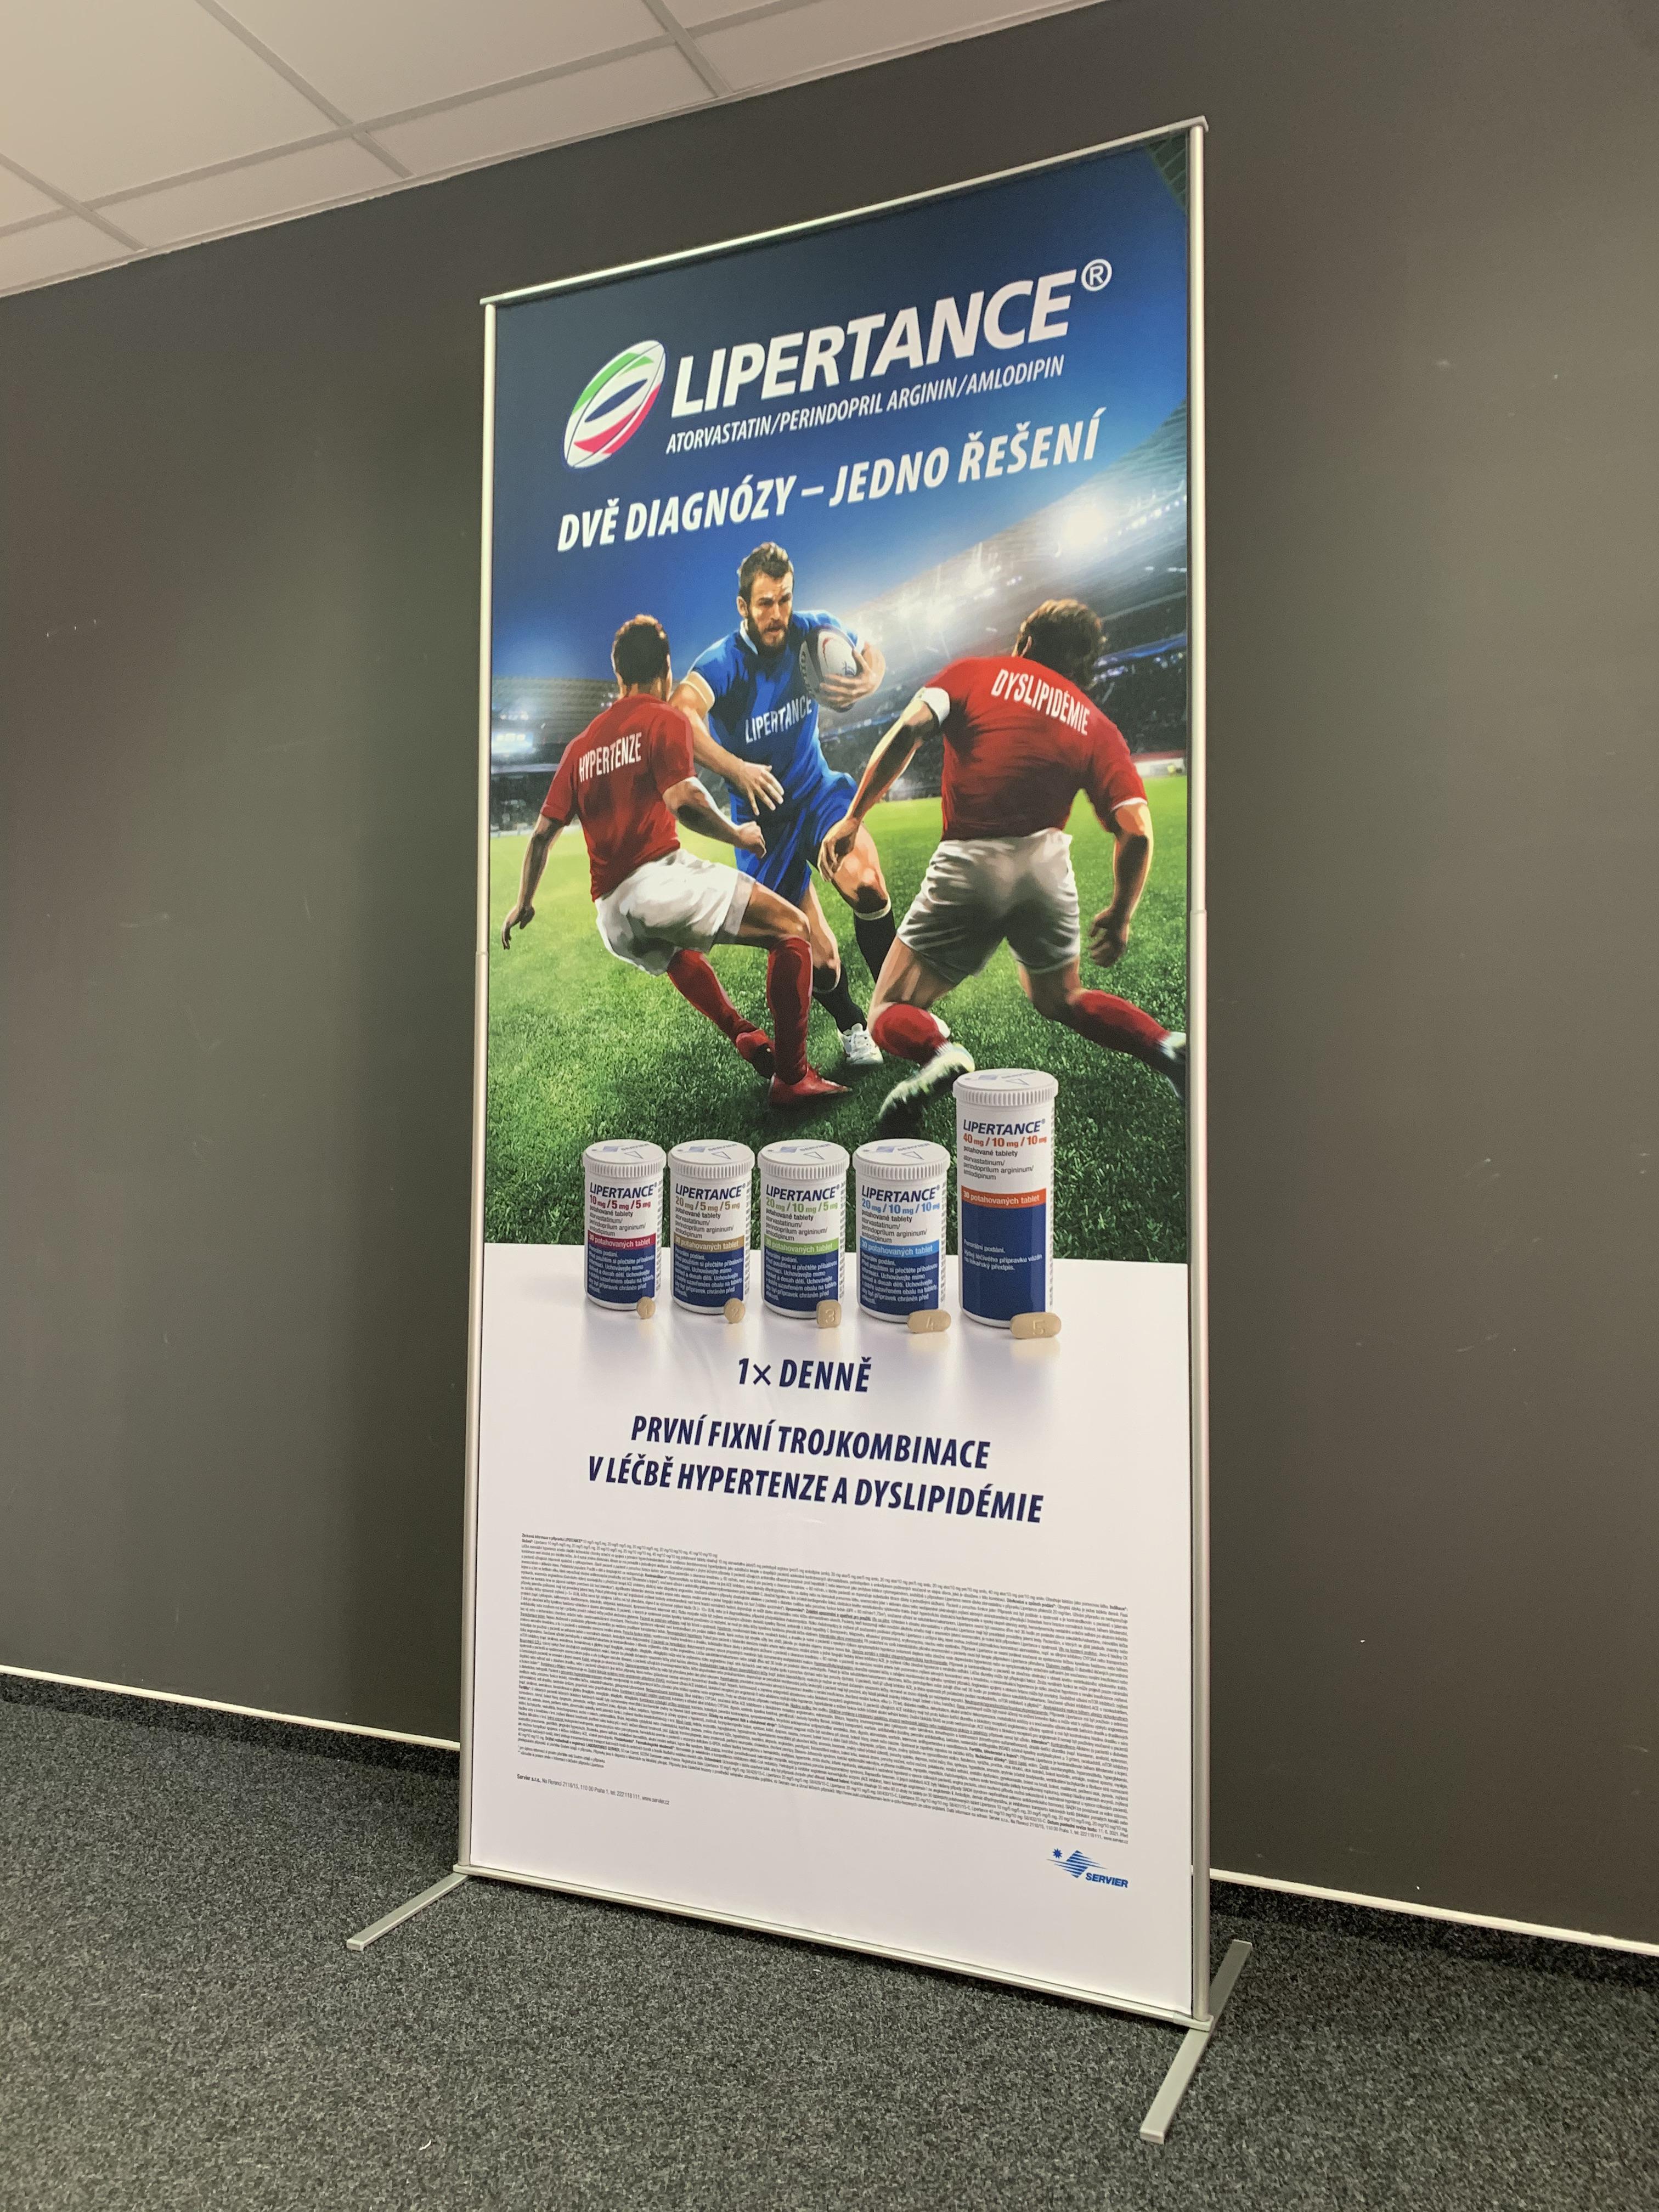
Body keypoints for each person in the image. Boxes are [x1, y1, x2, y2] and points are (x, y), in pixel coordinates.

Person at [817, 597, 1186, 1129]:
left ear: (1027, 643)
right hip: (1046, 870)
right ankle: (1165, 1044)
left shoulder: (972, 674)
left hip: (971, 861)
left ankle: (941, 1052)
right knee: (1063, 998)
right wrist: (1121, 914)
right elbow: (1137, 831)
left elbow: (907, 732)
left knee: (887, 1009)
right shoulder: (1096, 722)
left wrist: (854, 817)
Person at [501, 613, 844, 1107]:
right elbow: (685, 800)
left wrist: (524, 903)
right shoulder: (663, 718)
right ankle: (793, 1079)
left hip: (612, 916)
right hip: (657, 882)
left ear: (618, 675)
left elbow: (540, 837)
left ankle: (741, 1031)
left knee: (676, 955)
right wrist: (737, 834)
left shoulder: (579, 748)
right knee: (793, 928)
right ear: (667, 669)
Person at [669, 541, 897, 1071]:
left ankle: (899, 1010)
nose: (778, 614)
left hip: (817, 795)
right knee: (821, 958)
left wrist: (870, 678)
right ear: (743, 606)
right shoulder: (723, 662)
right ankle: (852, 1025)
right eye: (766, 603)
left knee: (867, 882)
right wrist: (735, 768)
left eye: (785, 599)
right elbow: (681, 713)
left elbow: (872, 648)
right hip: (761, 828)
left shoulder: (813, 631)